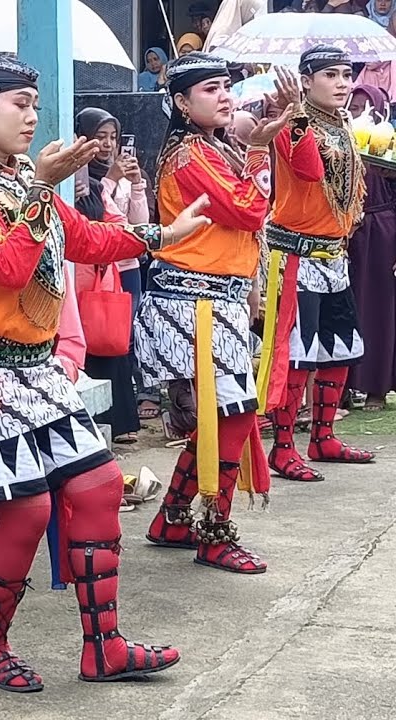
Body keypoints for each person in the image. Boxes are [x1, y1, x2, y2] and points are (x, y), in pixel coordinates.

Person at [0, 53, 207, 693]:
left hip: (37, 371)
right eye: (19, 104)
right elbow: (4, 265)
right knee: (27, 513)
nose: (33, 117)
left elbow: (85, 239)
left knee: (98, 487)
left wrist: (163, 235)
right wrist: (38, 187)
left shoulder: (17, 182)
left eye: (35, 104)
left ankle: (104, 646)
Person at [139, 53, 285, 573]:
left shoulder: (209, 147)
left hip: (213, 297)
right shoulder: (191, 155)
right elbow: (249, 209)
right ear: (180, 103)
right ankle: (212, 533)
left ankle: (175, 517)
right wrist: (260, 152)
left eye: (226, 86)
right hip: (194, 301)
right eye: (210, 89)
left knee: (226, 415)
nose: (224, 95)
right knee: (235, 414)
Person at [261, 49, 374, 483]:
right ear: (306, 82)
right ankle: (284, 446)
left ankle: (323, 435)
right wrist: (295, 116)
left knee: (339, 346)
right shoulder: (291, 123)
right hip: (296, 254)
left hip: (333, 250)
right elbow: (308, 172)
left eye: (347, 75)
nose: (343, 83)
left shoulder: (341, 124)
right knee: (298, 356)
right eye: (331, 75)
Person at [73, 108, 148, 445]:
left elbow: (137, 222)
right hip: (91, 267)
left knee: (119, 337)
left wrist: (136, 186)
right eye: (100, 136)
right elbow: (100, 219)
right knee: (94, 335)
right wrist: (112, 180)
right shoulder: (79, 175)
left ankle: (122, 417)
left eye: (113, 138)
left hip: (122, 268)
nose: (107, 144)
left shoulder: (110, 177)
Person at [349, 89, 396, 410]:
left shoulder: (388, 144)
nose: (357, 112)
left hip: (382, 236)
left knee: (379, 310)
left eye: (364, 107)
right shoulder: (339, 140)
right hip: (348, 234)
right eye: (352, 106)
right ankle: (341, 388)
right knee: (347, 309)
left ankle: (376, 387)